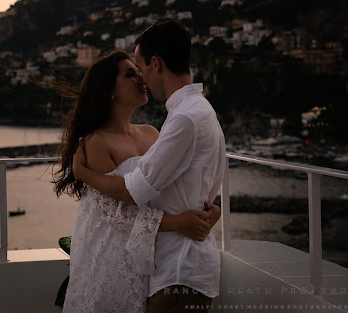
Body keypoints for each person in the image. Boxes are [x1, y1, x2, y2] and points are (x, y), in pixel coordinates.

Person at [50, 49, 221, 312]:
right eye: (130, 74)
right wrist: (178, 223)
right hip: (115, 259)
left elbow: (176, 185)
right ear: (109, 91)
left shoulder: (152, 133)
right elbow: (116, 215)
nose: (141, 79)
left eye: (139, 72)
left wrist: (211, 210)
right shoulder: (96, 143)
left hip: (153, 258)